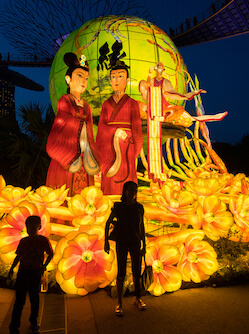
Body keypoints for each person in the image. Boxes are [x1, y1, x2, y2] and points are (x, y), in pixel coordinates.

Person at [46, 52, 101, 197]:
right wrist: (79, 123)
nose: (84, 81)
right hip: (68, 152)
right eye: (79, 76)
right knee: (65, 189)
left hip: (84, 153)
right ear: (68, 79)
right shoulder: (64, 100)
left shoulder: (86, 106)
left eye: (86, 78)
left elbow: (89, 130)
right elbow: (62, 121)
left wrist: (90, 147)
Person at [96, 59, 143, 195]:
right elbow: (101, 127)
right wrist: (114, 131)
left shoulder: (133, 103)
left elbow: (137, 129)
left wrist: (134, 151)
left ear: (127, 80)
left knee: (127, 179)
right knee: (109, 180)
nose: (116, 80)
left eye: (120, 76)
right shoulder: (106, 104)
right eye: (113, 77)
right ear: (110, 81)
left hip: (127, 147)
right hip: (109, 147)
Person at [104, 181, 147, 316]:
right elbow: (108, 223)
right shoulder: (118, 206)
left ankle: (137, 297)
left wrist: (144, 244)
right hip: (122, 242)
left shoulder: (139, 207)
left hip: (135, 242)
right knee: (121, 272)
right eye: (131, 190)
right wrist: (105, 241)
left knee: (136, 271)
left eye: (135, 190)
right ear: (125, 191)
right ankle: (119, 302)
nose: (133, 193)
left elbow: (142, 227)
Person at [8, 216, 53, 334]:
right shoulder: (26, 241)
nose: (31, 229)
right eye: (29, 227)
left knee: (32, 298)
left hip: (33, 272)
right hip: (25, 271)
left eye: (33, 227)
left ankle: (30, 323)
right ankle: (17, 325)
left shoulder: (41, 241)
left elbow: (50, 254)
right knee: (22, 300)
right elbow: (18, 256)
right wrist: (12, 268)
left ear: (39, 227)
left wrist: (44, 266)